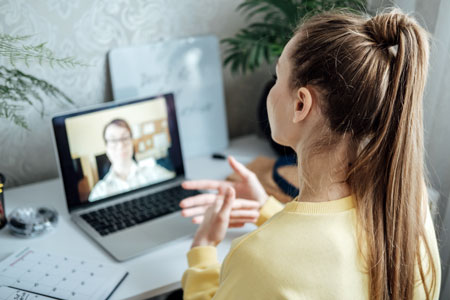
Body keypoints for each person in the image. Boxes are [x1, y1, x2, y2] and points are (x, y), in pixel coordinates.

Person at [179, 8, 441, 300]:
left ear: (300, 104)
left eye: (277, 76)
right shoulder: (406, 202)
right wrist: (267, 209)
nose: (272, 89)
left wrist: (202, 250)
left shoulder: (258, 260)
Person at [89, 119, 175, 201]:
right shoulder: (99, 192)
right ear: (106, 148)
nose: (120, 145)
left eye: (125, 138)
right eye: (113, 140)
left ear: (131, 142)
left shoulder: (155, 173)